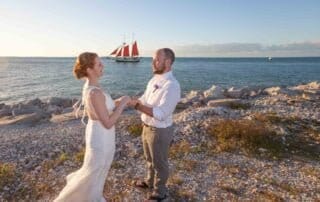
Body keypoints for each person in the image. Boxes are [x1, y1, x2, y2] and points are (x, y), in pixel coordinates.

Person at [54, 52, 130, 202]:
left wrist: (115, 102)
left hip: (98, 132)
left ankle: (93, 195)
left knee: (98, 168)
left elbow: (100, 109)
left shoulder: (92, 87)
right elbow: (108, 123)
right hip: (102, 136)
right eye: (99, 64)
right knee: (96, 168)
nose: (103, 66)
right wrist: (122, 104)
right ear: (89, 69)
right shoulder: (94, 92)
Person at [129, 48, 181, 201]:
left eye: (156, 60)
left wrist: (137, 106)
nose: (152, 63)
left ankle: (160, 192)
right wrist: (130, 101)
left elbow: (161, 113)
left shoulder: (172, 85)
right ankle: (149, 182)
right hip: (146, 127)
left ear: (168, 62)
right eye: (153, 59)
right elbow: (144, 100)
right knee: (149, 159)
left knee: (160, 163)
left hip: (160, 131)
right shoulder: (154, 80)